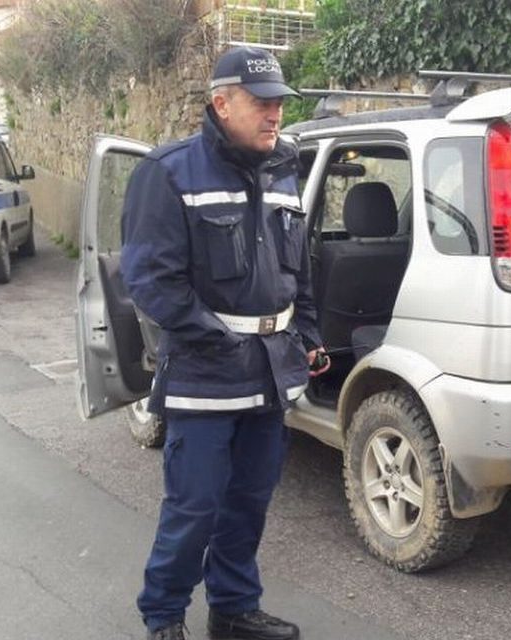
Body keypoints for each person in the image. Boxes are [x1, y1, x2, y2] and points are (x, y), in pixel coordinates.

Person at [120, 46, 329, 640]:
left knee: (249, 503)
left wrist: (308, 334)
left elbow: (296, 269)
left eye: (278, 103)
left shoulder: (282, 169)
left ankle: (234, 609)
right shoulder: (169, 172)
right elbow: (151, 281)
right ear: (222, 103)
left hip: (270, 372)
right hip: (205, 375)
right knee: (194, 508)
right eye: (261, 103)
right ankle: (164, 616)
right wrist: (217, 339)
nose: (274, 114)